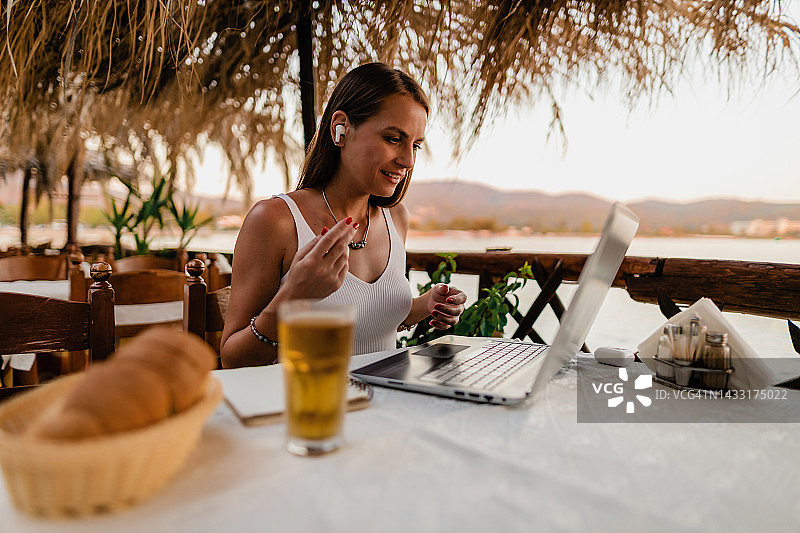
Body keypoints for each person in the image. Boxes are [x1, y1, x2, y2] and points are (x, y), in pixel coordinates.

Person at [220, 62, 467, 368]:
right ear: (341, 128)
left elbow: (368, 319)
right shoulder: (274, 220)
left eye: (415, 145)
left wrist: (424, 306)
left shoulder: (396, 219)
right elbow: (233, 359)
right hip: (306, 408)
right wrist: (294, 297)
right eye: (393, 139)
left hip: (383, 408)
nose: (407, 160)